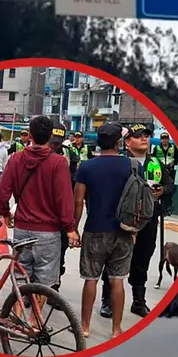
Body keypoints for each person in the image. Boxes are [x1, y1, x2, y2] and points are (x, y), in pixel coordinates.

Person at [97, 123, 174, 319]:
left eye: (146, 135)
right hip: (122, 220)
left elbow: (171, 186)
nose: (144, 139)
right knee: (114, 260)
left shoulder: (156, 162)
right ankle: (107, 300)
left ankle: (139, 301)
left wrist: (163, 191)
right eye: (139, 136)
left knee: (142, 260)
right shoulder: (120, 162)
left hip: (148, 221)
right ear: (128, 141)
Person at [0, 116, 79, 295]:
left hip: (22, 229)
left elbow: (3, 193)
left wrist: (5, 213)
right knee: (44, 283)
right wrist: (70, 227)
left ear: (30, 135)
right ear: (50, 136)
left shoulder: (15, 159)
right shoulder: (58, 163)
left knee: (20, 276)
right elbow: (64, 198)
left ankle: (19, 316)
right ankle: (34, 321)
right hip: (48, 232)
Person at [74, 123, 135, 337]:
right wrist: (135, 231)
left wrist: (74, 228)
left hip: (95, 229)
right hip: (123, 231)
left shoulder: (87, 167)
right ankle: (116, 329)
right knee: (117, 280)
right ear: (119, 142)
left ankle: (84, 327)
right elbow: (137, 201)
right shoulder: (132, 165)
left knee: (90, 279)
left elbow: (78, 201)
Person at [46, 123, 80, 292]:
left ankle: (54, 288)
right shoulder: (39, 152)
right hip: (43, 208)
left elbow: (76, 179)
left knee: (60, 250)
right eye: (53, 141)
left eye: (58, 142)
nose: (55, 146)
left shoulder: (70, 154)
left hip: (62, 209)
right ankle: (29, 291)